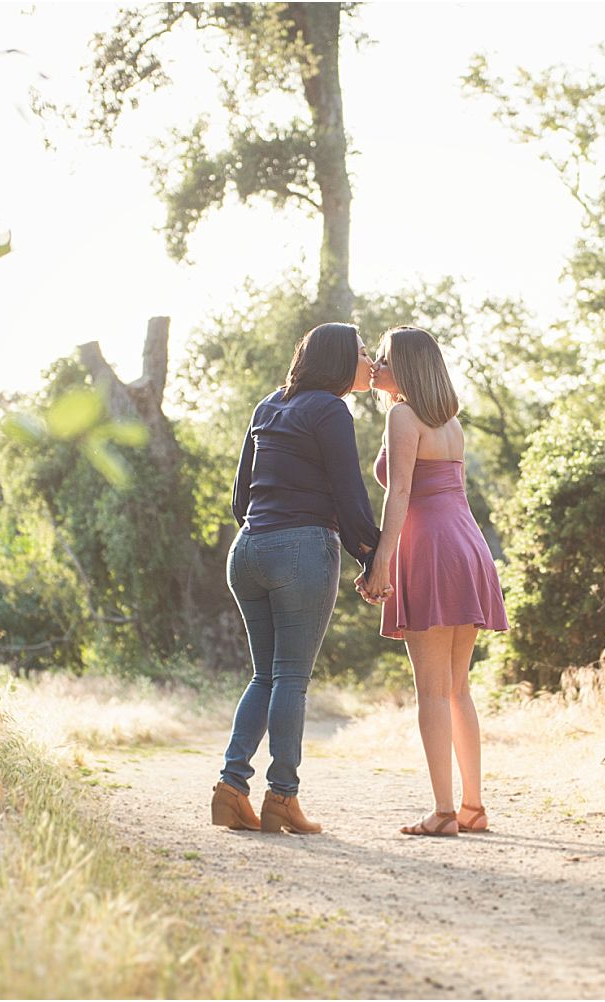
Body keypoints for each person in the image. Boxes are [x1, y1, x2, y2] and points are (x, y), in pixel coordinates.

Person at [211, 322, 383, 835]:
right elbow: (350, 493)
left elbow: (240, 496)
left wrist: (266, 529)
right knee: (290, 678)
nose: (369, 360)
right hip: (301, 548)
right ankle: (282, 798)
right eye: (361, 352)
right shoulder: (330, 410)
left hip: (247, 551)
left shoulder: (269, 405)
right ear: (336, 361)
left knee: (265, 676)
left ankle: (230, 788)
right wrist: (370, 557)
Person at [360, 325, 509, 837]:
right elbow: (458, 494)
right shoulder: (452, 424)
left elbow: (398, 494)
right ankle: (472, 807)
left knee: (431, 691)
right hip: (467, 545)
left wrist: (382, 560)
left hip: (430, 548)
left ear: (405, 368)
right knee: (457, 689)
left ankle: (443, 813)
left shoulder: (403, 416)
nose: (374, 366)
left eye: (381, 359)